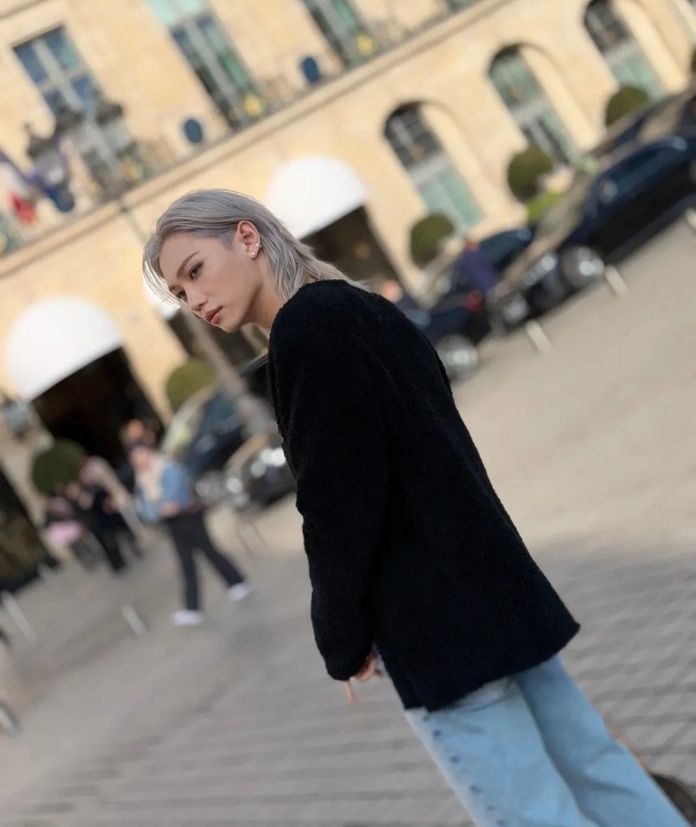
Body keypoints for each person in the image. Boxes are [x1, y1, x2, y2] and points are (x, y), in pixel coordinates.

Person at [142, 188, 688, 827]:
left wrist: (342, 637)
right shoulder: (359, 305)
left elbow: (336, 506)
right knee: (599, 768)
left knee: (533, 814)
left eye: (195, 271)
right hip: (498, 588)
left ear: (246, 237)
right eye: (179, 293)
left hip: (435, 623)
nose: (194, 300)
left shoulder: (303, 332)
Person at [129, 442, 250, 627]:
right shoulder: (142, 480)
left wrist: (159, 504)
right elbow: (148, 512)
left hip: (189, 516)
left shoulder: (168, 468)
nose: (139, 461)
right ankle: (193, 607)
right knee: (186, 563)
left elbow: (174, 496)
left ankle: (237, 582)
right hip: (173, 524)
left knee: (209, 551)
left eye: (140, 454)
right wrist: (159, 506)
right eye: (134, 458)